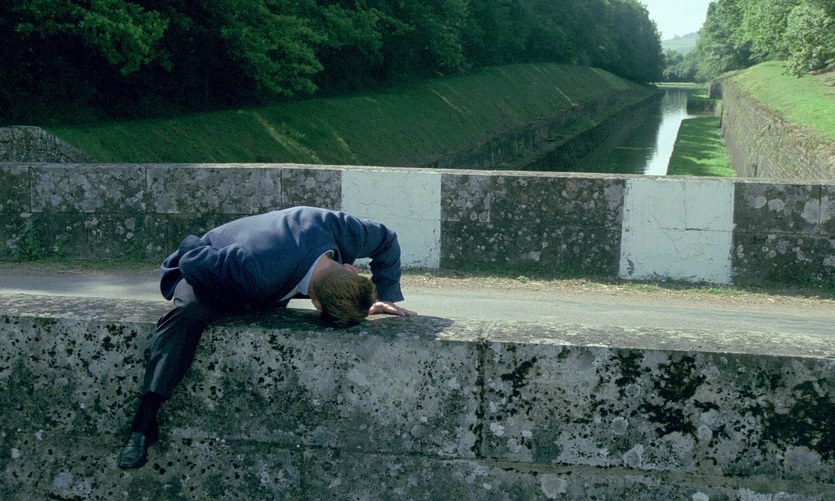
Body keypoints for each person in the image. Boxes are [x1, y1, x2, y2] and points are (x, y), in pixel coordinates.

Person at [117, 206, 417, 469]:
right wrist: (199, 242)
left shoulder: (340, 229)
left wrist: (384, 295)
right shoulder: (254, 269)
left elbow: (387, 240)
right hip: (212, 263)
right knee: (190, 313)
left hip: (268, 266)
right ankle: (143, 423)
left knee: (261, 295)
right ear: (317, 304)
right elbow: (193, 257)